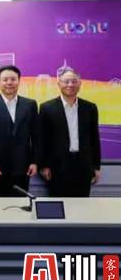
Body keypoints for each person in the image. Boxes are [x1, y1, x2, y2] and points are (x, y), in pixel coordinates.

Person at [39, 68, 101, 197]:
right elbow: (43, 140)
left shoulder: (90, 108)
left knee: (82, 205)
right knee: (58, 204)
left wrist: (96, 167)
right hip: (57, 166)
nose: (70, 85)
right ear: (59, 84)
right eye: (66, 81)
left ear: (80, 84)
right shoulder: (47, 108)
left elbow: (94, 139)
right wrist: (44, 165)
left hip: (83, 165)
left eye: (74, 81)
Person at [0, 65, 39, 197]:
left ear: (19, 81)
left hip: (23, 166)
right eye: (5, 80)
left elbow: (36, 136)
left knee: (21, 204)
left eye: (13, 79)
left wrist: (35, 162)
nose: (9, 83)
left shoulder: (30, 105)